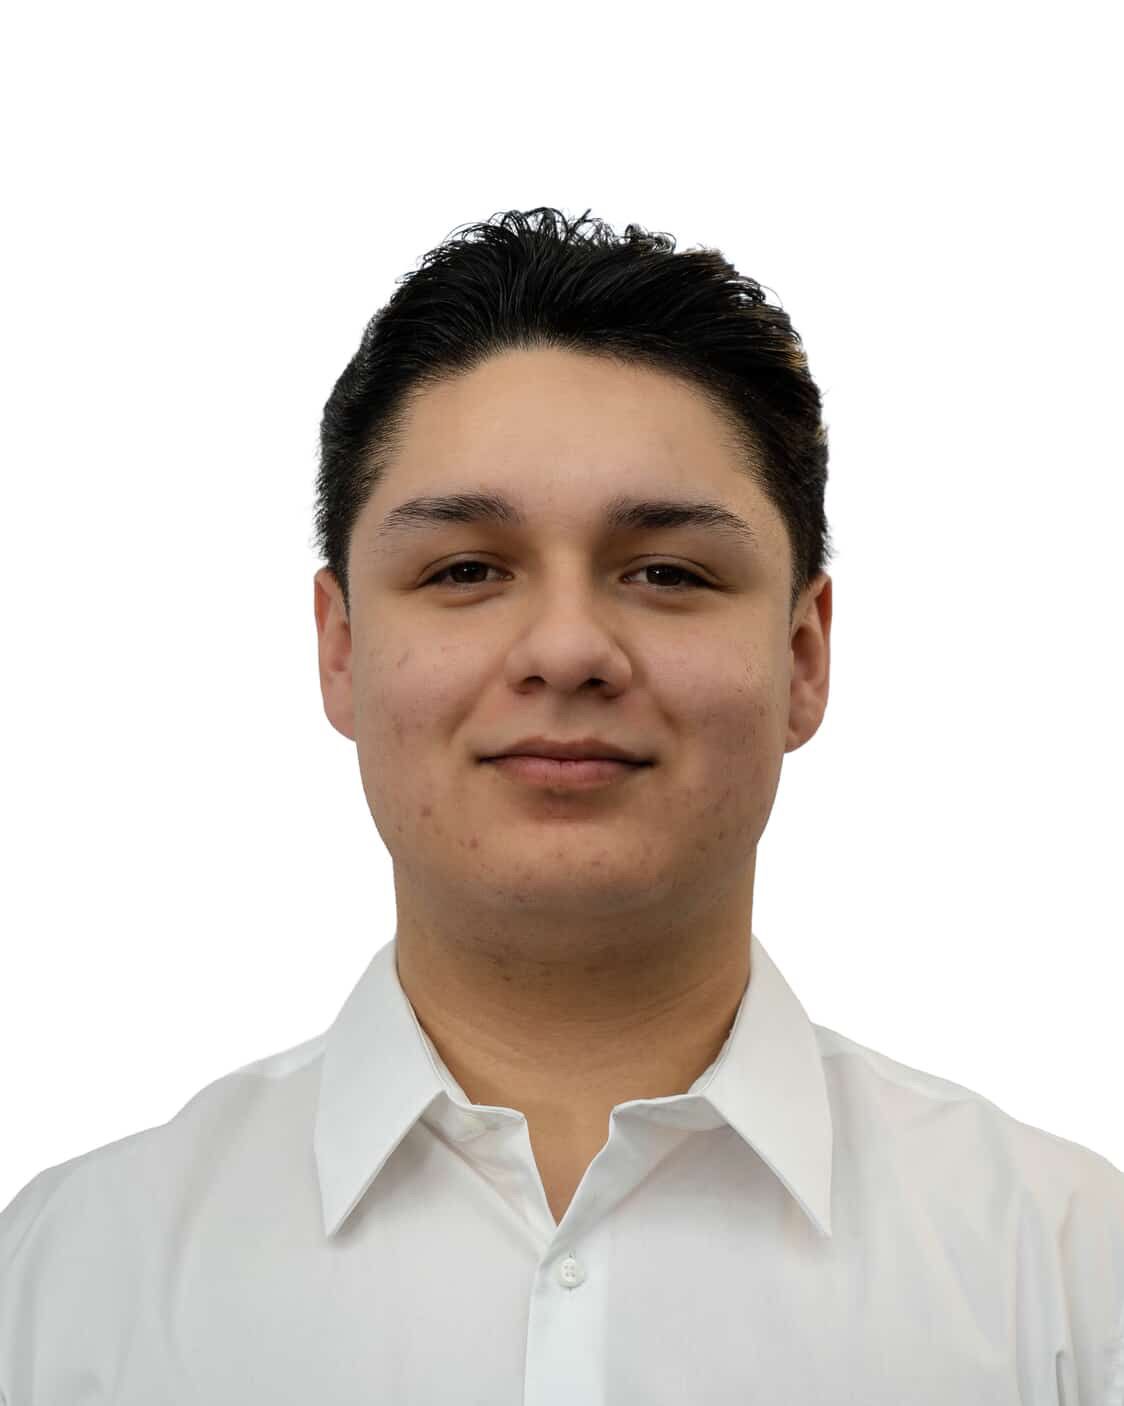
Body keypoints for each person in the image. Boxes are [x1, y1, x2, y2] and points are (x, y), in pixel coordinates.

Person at [1, 206, 1121, 1404]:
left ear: (802, 658)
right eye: (466, 569)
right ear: (339, 648)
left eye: (666, 572)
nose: (568, 648)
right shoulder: (66, 1280)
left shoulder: (1063, 1273)